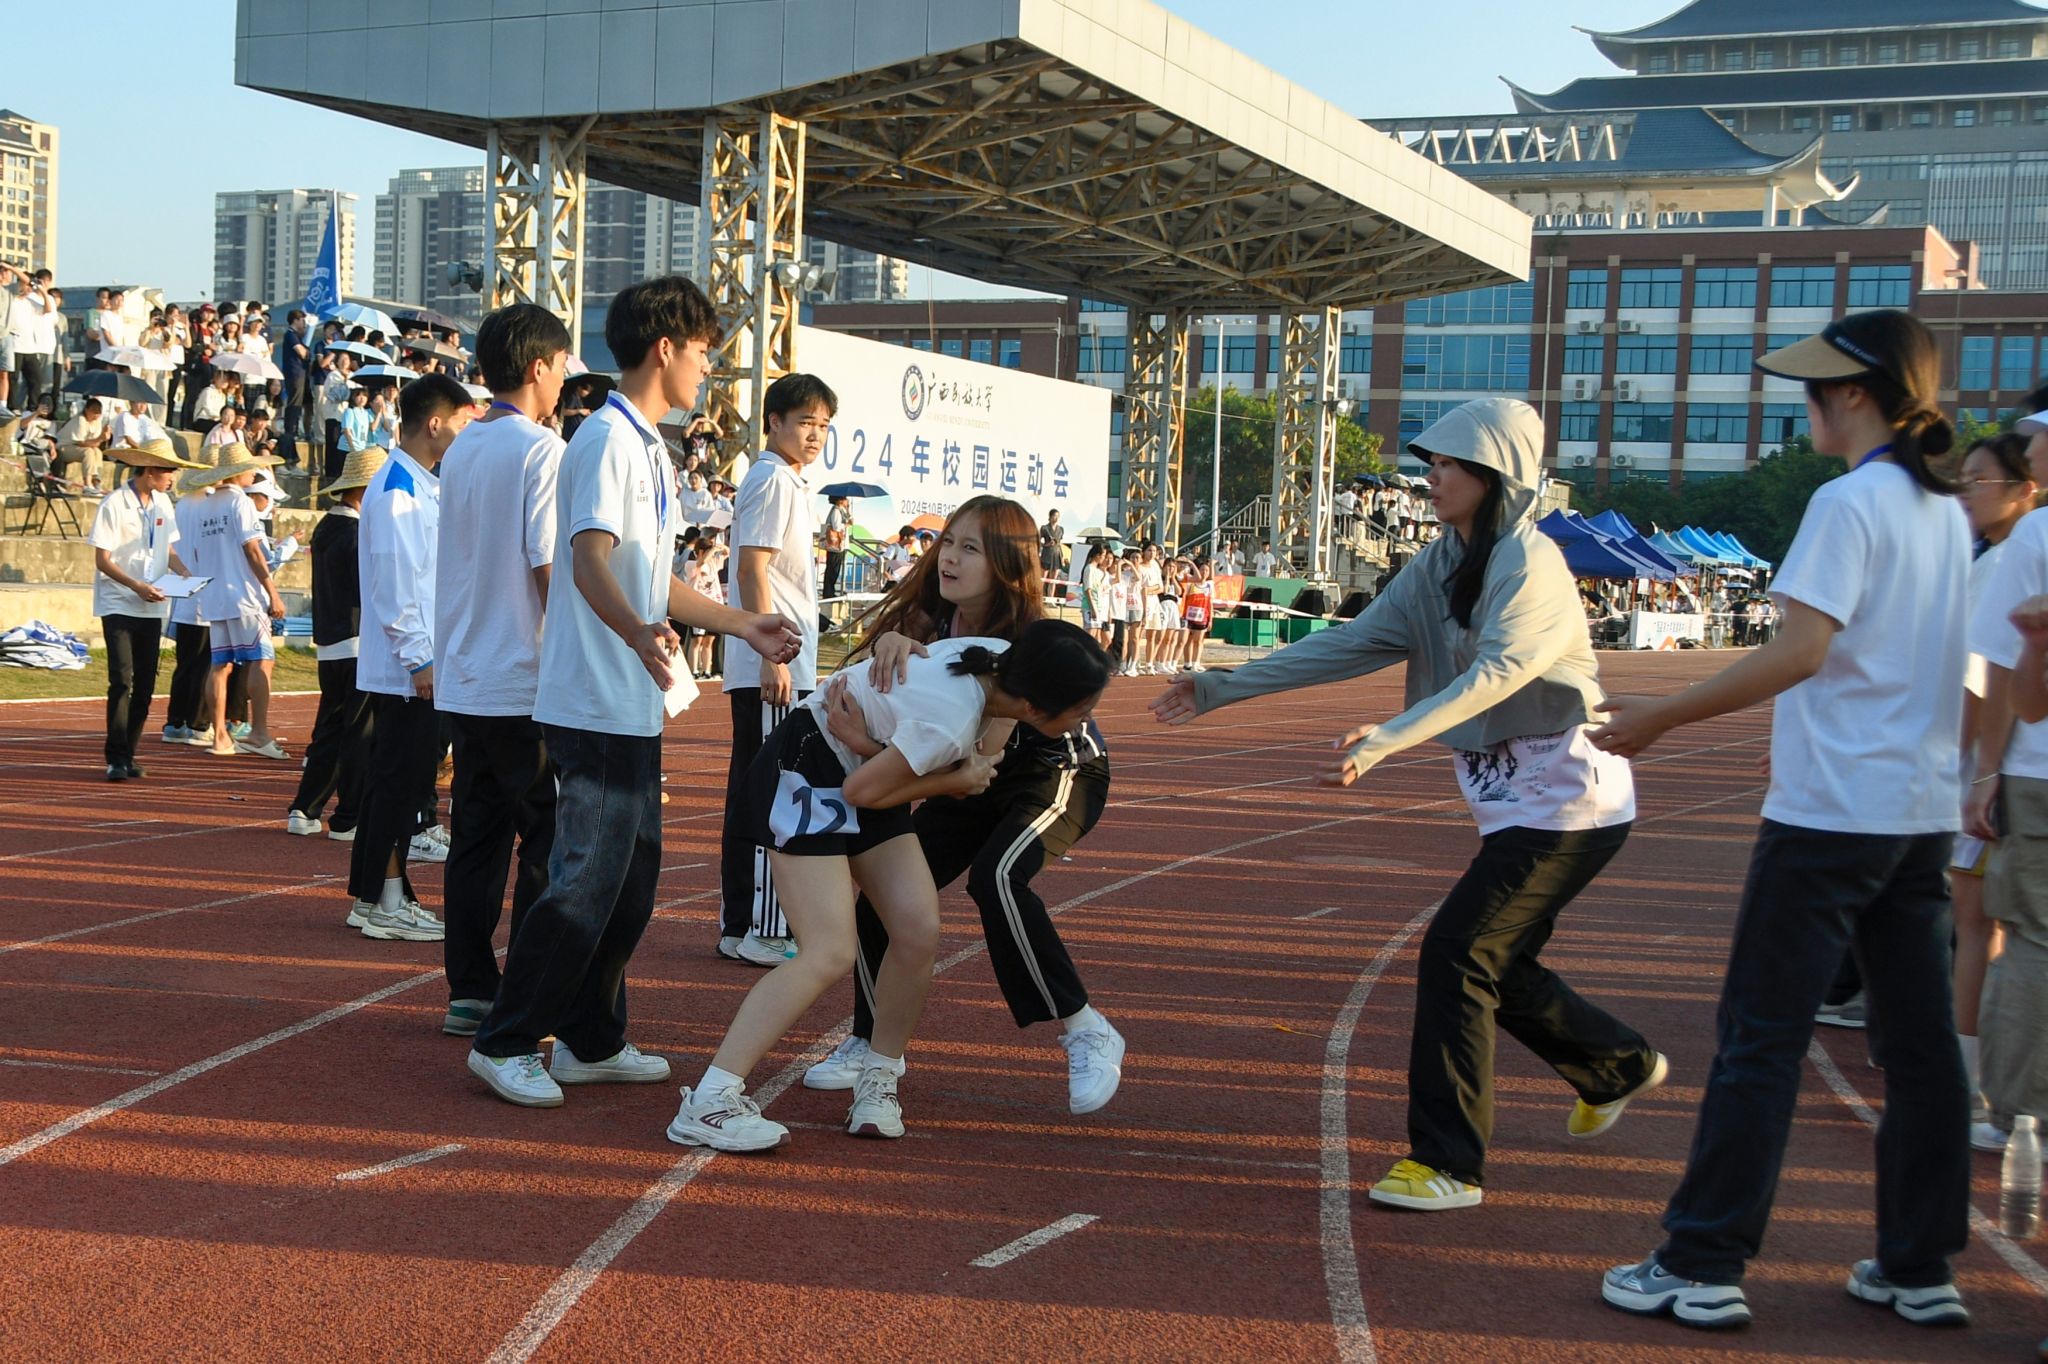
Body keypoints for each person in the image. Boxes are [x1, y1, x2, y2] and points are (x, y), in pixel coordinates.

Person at [1155, 396, 1660, 1221]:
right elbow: (1354, 642)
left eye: (1451, 464)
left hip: (1572, 798)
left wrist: (1387, 738)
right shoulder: (1439, 562)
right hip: (1511, 802)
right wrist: (1222, 687)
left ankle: (1447, 1163)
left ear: (1496, 475)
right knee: (1499, 963)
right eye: (1433, 462)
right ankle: (1616, 1065)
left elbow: (1498, 675)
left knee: (1458, 952)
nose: (1432, 477)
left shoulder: (1530, 564)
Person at [1592, 312, 1971, 1332]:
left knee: (1760, 1038)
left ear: (1850, 393)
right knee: (1921, 1046)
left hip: (1830, 814)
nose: (1801, 407)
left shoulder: (1846, 503)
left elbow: (1801, 650)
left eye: (1810, 390)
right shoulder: (1944, 512)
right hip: (1918, 814)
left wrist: (1660, 714)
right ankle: (1918, 1263)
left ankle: (1702, 1260)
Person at [467, 275, 802, 1109]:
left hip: (630, 697)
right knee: (586, 878)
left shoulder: (649, 446)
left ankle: (590, 1037)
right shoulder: (605, 441)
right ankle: (505, 1040)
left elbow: (651, 583)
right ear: (665, 348)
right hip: (591, 698)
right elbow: (586, 562)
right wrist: (636, 634)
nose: (708, 370)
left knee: (630, 881)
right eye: (703, 354)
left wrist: (743, 625)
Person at [669, 620, 1110, 1150]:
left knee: (917, 929)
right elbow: (868, 791)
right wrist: (953, 779)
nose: (1084, 723)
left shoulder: (996, 658)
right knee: (830, 951)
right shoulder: (951, 718)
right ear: (1036, 707)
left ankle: (878, 1077)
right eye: (1080, 712)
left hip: (863, 763)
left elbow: (980, 759)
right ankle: (710, 1100)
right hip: (810, 768)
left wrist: (878, 745)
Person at [804, 498, 1126, 1114]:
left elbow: (976, 762)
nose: (949, 557)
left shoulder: (1022, 640)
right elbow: (937, 754)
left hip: (1051, 772)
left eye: (970, 548)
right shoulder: (927, 620)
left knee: (998, 877)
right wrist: (891, 642)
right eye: (948, 541)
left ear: (1007, 562)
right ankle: (871, 1043)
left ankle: (1086, 1027)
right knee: (883, 898)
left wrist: (867, 748)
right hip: (964, 775)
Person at [434, 304, 570, 1039]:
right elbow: (546, 562)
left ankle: (470, 990)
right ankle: (528, 992)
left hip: (466, 671)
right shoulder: (541, 449)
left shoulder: (462, 448)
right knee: (546, 840)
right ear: (539, 366)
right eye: (562, 367)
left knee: (477, 838)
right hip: (523, 674)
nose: (563, 383)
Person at [345, 373, 476, 945]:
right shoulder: (398, 489)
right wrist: (419, 660)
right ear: (435, 424)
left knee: (398, 784)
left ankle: (375, 896)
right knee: (400, 786)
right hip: (407, 671)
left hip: (416, 664)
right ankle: (386, 900)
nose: (468, 435)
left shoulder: (421, 483)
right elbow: (395, 586)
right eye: (464, 423)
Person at [1941, 431, 2040, 1152]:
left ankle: (1981, 1088)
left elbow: (1988, 682)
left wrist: (1970, 769)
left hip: (2009, 768)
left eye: (1981, 479)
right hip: (2008, 765)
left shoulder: (2018, 552)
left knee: (1986, 927)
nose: (1968, 491)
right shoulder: (2001, 553)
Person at [718, 373, 832, 968]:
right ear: (774, 422)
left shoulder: (781, 480)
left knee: (754, 789)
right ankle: (762, 929)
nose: (815, 435)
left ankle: (741, 924)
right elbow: (751, 568)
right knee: (773, 792)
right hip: (774, 660)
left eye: (824, 426)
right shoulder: (774, 480)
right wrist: (771, 656)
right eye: (805, 422)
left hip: (773, 657)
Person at [1970, 405, 2048, 1167]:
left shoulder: (2036, 537)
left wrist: (1986, 772)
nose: (2032, 448)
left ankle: (2019, 1112)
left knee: (2029, 940)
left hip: (2038, 769)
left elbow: (2008, 679)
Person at [286, 445, 385, 842]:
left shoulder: (326, 527)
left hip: (330, 641)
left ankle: (305, 807)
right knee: (359, 732)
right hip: (357, 641)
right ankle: (348, 816)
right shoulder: (357, 533)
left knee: (329, 730)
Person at [88, 440, 198, 781]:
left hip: (152, 605)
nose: (172, 478)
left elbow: (169, 549)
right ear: (150, 470)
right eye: (168, 471)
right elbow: (102, 559)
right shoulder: (114, 503)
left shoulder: (163, 503)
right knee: (122, 680)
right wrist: (135, 585)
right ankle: (115, 757)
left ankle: (129, 753)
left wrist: (185, 572)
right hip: (119, 602)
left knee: (146, 685)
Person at [185, 444, 290, 761]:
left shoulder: (204, 506)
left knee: (220, 664)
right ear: (238, 471)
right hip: (244, 594)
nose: (254, 474)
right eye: (250, 469)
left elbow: (197, 553)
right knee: (262, 660)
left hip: (215, 595)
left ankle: (219, 734)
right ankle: (259, 732)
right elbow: (252, 550)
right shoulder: (240, 502)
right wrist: (272, 591)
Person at [54, 398, 111, 491]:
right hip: (63, 448)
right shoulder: (80, 420)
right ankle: (87, 484)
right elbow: (81, 443)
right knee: (88, 452)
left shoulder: (97, 422)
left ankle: (96, 482)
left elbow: (95, 444)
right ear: (86, 410)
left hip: (78, 447)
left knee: (97, 452)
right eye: (93, 411)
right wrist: (100, 438)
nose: (96, 414)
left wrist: (103, 438)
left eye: (99, 412)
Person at [820, 493, 851, 622]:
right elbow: (837, 526)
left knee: (835, 569)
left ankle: (830, 591)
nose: (847, 500)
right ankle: (828, 592)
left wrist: (848, 511)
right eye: (845, 498)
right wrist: (846, 525)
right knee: (832, 568)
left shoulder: (842, 510)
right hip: (835, 545)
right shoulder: (836, 511)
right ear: (840, 500)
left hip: (839, 545)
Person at [1039, 508, 1066, 594]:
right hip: (1047, 554)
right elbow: (1037, 540)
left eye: (1058, 516)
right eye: (1054, 516)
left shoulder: (1061, 529)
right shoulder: (1044, 528)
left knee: (1054, 579)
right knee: (1043, 577)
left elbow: (1060, 543)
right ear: (1050, 517)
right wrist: (1045, 545)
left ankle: (1050, 598)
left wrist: (1062, 557)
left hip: (1057, 554)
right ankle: (1039, 595)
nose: (1056, 518)